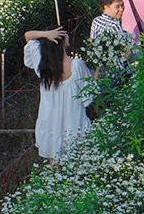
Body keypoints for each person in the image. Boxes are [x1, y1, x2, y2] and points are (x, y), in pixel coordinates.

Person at [23, 27, 92, 164]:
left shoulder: (42, 64)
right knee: (77, 164)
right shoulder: (76, 65)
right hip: (73, 122)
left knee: (53, 165)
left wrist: (45, 34)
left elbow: (28, 36)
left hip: (50, 121)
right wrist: (95, 75)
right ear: (62, 40)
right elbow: (88, 96)